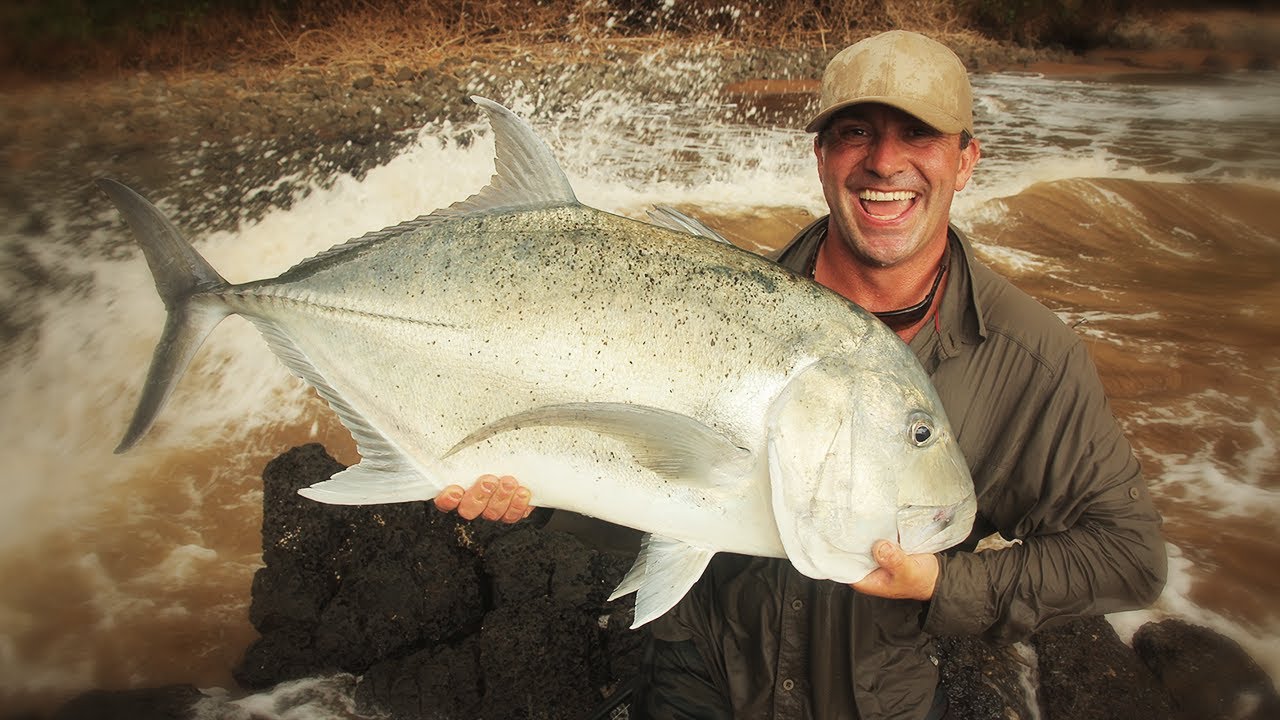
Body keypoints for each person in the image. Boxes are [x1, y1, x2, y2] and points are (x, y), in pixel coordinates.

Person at [436, 30, 1167, 720]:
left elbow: (1128, 557)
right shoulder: (713, 299)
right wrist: (530, 496)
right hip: (697, 680)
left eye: (918, 134)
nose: (885, 163)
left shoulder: (1028, 357)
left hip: (874, 702)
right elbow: (645, 484)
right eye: (856, 132)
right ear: (821, 156)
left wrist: (946, 585)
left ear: (966, 160)